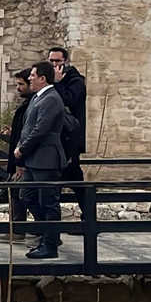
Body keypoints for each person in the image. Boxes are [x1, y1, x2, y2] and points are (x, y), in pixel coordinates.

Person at [15, 61, 68, 259]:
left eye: (33, 75)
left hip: (46, 159)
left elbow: (41, 130)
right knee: (26, 196)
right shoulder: (39, 98)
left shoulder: (51, 98)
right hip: (32, 160)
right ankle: (46, 234)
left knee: (48, 203)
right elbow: (28, 126)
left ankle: (50, 245)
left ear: (43, 78)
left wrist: (22, 149)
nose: (29, 78)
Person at [49, 47, 87, 194]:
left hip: (70, 137)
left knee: (74, 177)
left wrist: (57, 83)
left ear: (65, 61)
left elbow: (69, 101)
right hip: (56, 137)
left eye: (57, 61)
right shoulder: (51, 80)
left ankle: (88, 212)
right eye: (51, 61)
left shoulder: (76, 81)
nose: (54, 64)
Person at [4, 67, 33, 240]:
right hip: (18, 157)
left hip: (24, 159)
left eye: (21, 84)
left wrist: (21, 163)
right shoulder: (27, 104)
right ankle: (17, 229)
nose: (18, 88)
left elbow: (31, 132)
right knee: (16, 193)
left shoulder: (33, 104)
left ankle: (20, 229)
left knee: (23, 194)